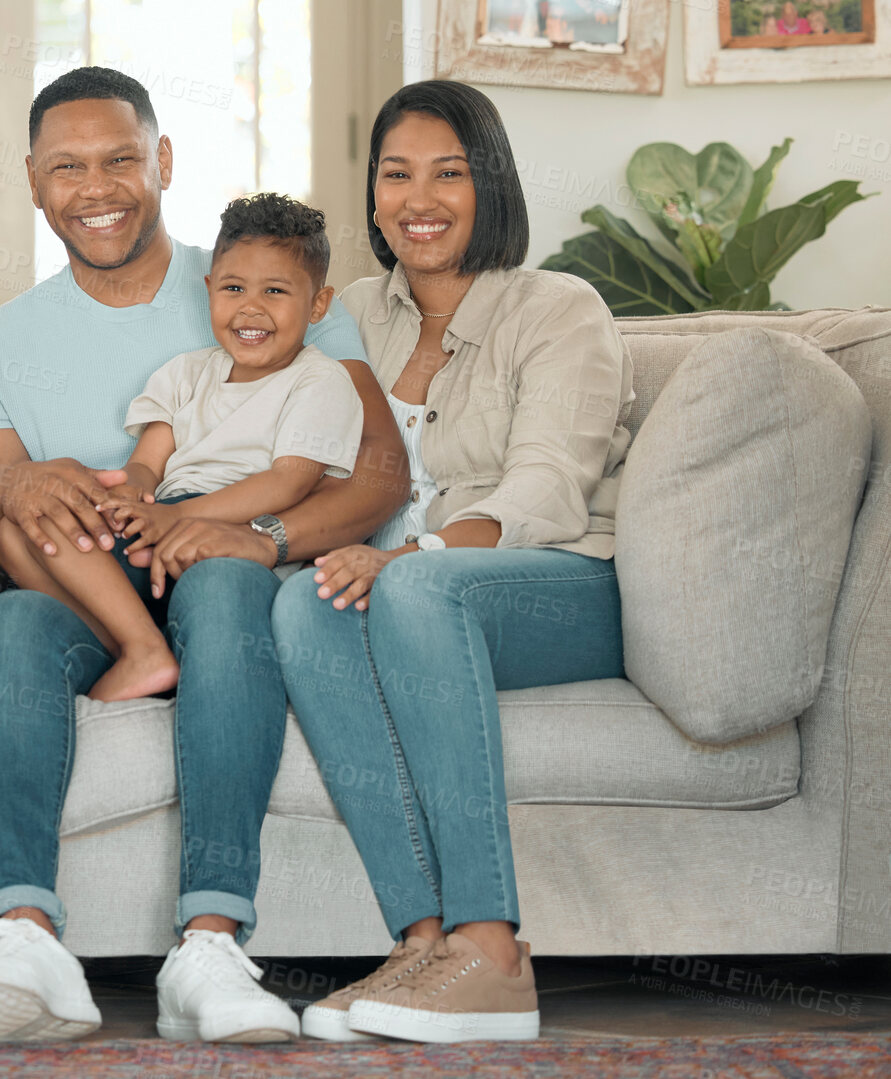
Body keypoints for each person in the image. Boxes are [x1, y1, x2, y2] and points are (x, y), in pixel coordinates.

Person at [0, 66, 408, 1045]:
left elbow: (374, 478)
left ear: (162, 161)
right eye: (67, 167)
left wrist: (256, 534)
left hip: (226, 571)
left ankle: (209, 941)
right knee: (10, 622)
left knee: (233, 584)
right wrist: (20, 486)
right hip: (84, 582)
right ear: (32, 180)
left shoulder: (264, 276)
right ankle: (21, 934)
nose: (97, 186)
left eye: (121, 159)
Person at [275, 79, 633, 1044]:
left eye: (448, 173)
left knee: (418, 587)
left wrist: (414, 557)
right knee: (301, 606)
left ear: (493, 185)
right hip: (401, 592)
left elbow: (549, 491)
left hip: (551, 585)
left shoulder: (558, 307)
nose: (417, 198)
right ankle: (424, 942)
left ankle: (491, 946)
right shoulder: (349, 311)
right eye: (395, 174)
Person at [0, 192, 363, 703]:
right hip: (167, 521)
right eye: (233, 288)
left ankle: (144, 650)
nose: (250, 308)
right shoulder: (188, 372)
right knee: (15, 532)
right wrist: (127, 495)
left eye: (275, 291)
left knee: (52, 537)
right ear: (209, 289)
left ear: (319, 304)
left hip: (236, 536)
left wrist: (184, 518)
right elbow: (147, 461)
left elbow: (289, 480)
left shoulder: (320, 380)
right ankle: (138, 647)